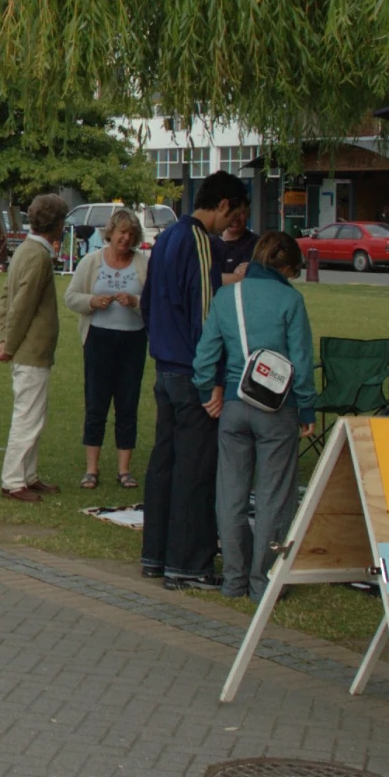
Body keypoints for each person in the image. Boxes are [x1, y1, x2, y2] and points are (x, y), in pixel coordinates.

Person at [193, 230, 317, 600]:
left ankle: (234, 579)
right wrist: (306, 406)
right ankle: (264, 581)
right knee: (273, 497)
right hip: (277, 409)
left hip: (233, 404)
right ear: (287, 267)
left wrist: (206, 390)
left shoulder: (227, 296)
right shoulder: (290, 301)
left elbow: (205, 356)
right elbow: (302, 362)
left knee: (230, 495)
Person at [140, 170, 248, 590]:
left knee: (163, 463)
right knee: (195, 469)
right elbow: (206, 315)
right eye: (233, 215)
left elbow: (148, 302)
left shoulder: (166, 237)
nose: (231, 225)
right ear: (222, 206)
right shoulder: (202, 242)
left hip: (165, 366)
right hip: (190, 372)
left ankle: (156, 553)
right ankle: (189, 563)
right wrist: (212, 381)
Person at [65, 208, 150, 491]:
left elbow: (154, 303)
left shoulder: (143, 263)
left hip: (133, 341)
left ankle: (124, 470)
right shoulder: (91, 262)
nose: (125, 239)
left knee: (128, 403)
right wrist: (93, 301)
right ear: (110, 233)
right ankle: (91, 469)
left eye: (130, 234)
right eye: (121, 233)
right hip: (98, 339)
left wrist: (135, 302)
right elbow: (71, 297)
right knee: (96, 402)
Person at [0, 194, 69, 501]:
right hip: (30, 349)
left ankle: (28, 474)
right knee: (28, 416)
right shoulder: (37, 256)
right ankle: (13, 481)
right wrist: (8, 346)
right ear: (58, 224)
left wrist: (3, 339)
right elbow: (21, 306)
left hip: (26, 347)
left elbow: (5, 297)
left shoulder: (25, 249)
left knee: (35, 414)